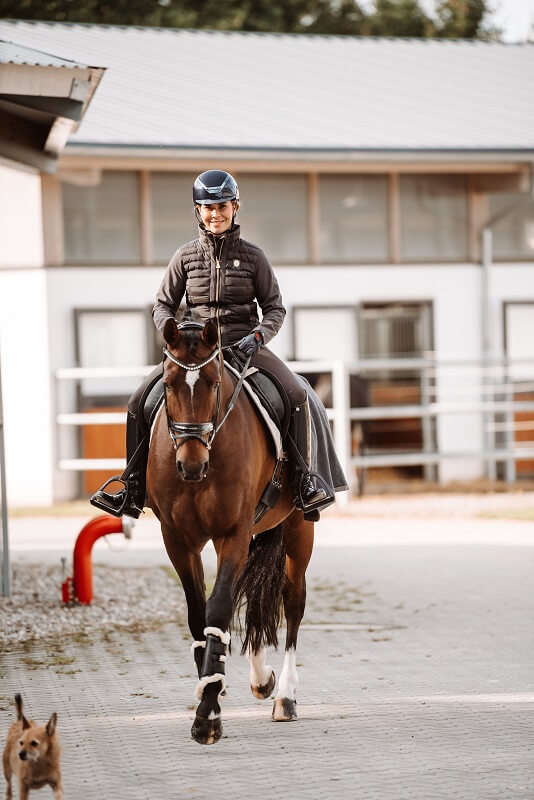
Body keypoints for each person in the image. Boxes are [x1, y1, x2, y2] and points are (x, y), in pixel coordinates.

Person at [90, 169, 330, 519]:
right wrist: (172, 332)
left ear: (234, 207)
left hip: (244, 345)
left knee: (295, 394)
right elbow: (162, 305)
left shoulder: (254, 256)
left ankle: (305, 481)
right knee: (138, 400)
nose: (215, 213)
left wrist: (259, 336)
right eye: (207, 207)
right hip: (195, 351)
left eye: (221, 206)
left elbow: (275, 308)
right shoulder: (185, 257)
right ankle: (132, 486)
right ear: (197, 211)